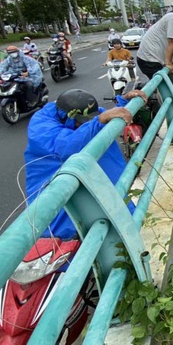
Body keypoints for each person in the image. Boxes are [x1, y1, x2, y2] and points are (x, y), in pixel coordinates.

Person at [24, 88, 147, 239]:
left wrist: (124, 102)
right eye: (78, 123)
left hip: (96, 192)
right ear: (66, 117)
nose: (81, 125)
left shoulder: (78, 113)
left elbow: (103, 115)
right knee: (74, 243)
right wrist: (98, 122)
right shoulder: (41, 126)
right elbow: (67, 146)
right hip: (58, 202)